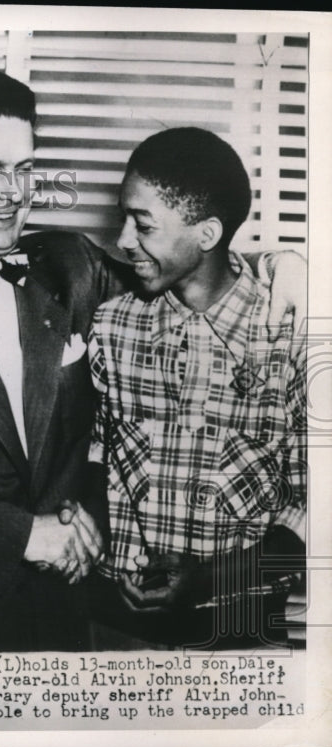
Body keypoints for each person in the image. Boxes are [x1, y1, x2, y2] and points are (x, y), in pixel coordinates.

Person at [0, 68, 306, 653]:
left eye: (25, 169)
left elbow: (190, 269)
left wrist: (286, 265)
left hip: (78, 629)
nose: (13, 193)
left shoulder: (69, 265)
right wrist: (19, 536)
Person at [86, 128, 306, 649]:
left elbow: (310, 516)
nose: (120, 239)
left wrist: (209, 579)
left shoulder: (290, 340)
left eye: (143, 225)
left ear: (206, 235)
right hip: (116, 632)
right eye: (124, 217)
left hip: (238, 634)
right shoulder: (112, 325)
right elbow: (98, 454)